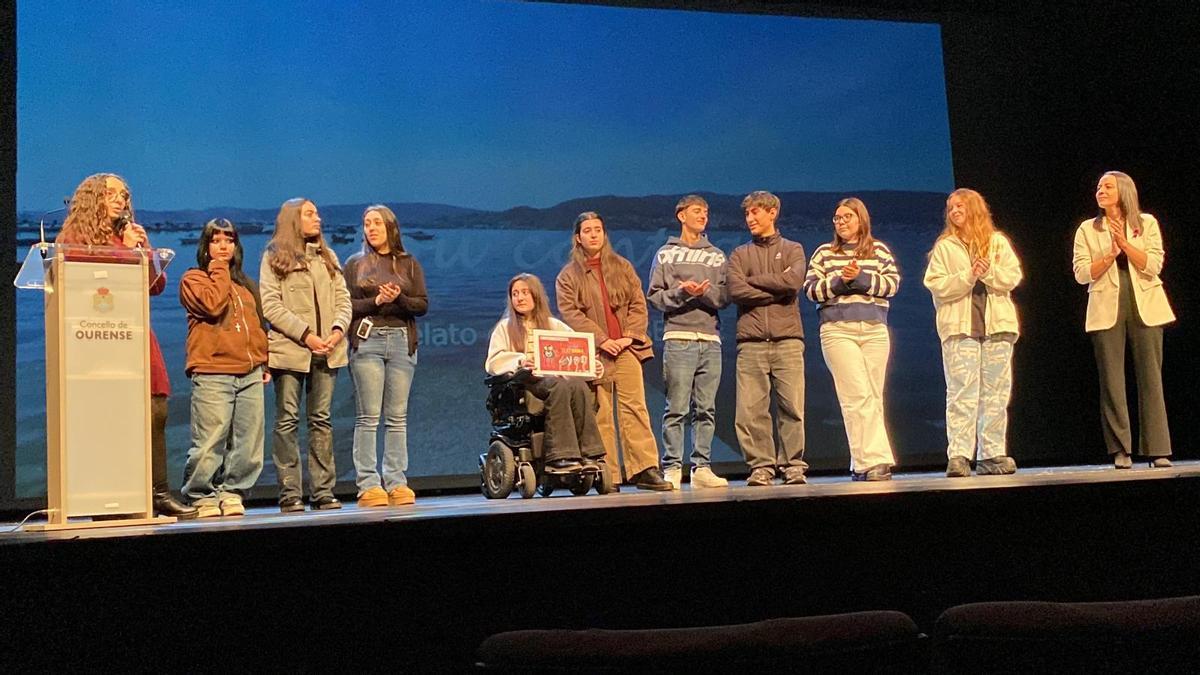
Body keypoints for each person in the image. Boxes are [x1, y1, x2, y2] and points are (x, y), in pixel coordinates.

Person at [56, 173, 198, 519]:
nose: (121, 200)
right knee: (109, 418)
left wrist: (143, 250)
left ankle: (158, 492)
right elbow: (88, 272)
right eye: (112, 194)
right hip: (96, 339)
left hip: (133, 333)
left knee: (156, 409)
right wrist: (126, 250)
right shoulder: (73, 238)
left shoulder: (129, 237)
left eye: (124, 195)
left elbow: (155, 286)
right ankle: (108, 494)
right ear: (93, 199)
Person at [556, 212, 672, 491]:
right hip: (595, 353)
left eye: (598, 229)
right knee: (601, 411)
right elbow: (570, 312)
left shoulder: (622, 266)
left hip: (626, 349)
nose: (594, 234)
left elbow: (637, 304)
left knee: (636, 408)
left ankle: (644, 469)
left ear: (604, 234)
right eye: (588, 230)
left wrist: (628, 337)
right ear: (578, 238)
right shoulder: (568, 275)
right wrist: (601, 340)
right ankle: (607, 473)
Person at [1071, 171, 1175, 469]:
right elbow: (1081, 274)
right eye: (1099, 187)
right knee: (1112, 380)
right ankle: (1120, 449)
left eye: (1107, 186)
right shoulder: (1087, 229)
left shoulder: (1147, 223)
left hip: (1144, 302)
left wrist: (1126, 245)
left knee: (1151, 377)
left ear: (1124, 191)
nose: (1100, 191)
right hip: (1107, 305)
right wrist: (1109, 253)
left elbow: (1154, 265)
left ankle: (1158, 449)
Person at [260, 198, 352, 512]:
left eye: (317, 212)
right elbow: (271, 305)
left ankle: (323, 491)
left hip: (327, 351)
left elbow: (344, 299)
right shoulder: (273, 256)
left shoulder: (328, 256)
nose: (319, 218)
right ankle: (290, 493)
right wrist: (307, 335)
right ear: (293, 219)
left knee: (321, 421)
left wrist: (337, 331)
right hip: (291, 351)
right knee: (286, 421)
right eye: (310, 213)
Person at [923, 188, 1022, 477]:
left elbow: (1012, 277)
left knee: (995, 393)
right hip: (960, 328)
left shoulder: (998, 243)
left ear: (975, 209)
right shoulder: (945, 247)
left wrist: (987, 271)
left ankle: (991, 454)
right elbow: (937, 285)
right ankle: (960, 455)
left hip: (997, 326)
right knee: (961, 393)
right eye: (950, 208)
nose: (954, 212)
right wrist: (969, 275)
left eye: (960, 206)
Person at [178, 218, 269, 517]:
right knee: (210, 440)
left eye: (228, 241)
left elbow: (256, 326)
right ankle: (201, 495)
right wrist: (218, 268)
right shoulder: (194, 279)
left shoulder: (245, 285)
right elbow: (214, 305)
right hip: (213, 369)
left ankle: (232, 492)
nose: (223, 246)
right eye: (216, 241)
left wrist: (263, 360)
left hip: (250, 371)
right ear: (206, 247)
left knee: (249, 441)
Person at [804, 198, 900, 481]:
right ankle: (877, 460)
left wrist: (860, 278)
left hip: (874, 328)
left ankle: (861, 463)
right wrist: (839, 282)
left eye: (847, 216)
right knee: (856, 395)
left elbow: (891, 285)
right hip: (838, 330)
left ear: (861, 219)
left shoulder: (879, 250)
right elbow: (811, 290)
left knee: (871, 394)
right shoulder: (824, 253)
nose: (841, 222)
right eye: (837, 218)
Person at [343, 205, 428, 508]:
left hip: (401, 341)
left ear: (390, 227)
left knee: (397, 417)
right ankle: (368, 483)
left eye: (377, 223)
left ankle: (396, 481)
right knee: (368, 417)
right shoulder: (355, 263)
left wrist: (399, 299)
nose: (371, 228)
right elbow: (345, 306)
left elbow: (421, 304)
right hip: (368, 341)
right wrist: (376, 300)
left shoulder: (408, 263)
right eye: (367, 224)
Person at [646, 195, 729, 490]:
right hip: (678, 336)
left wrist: (702, 293)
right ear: (681, 215)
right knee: (677, 407)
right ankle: (671, 466)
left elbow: (724, 297)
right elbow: (655, 297)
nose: (703, 216)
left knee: (706, 407)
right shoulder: (666, 254)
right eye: (697, 211)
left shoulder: (717, 255)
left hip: (710, 337)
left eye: (706, 211)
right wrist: (682, 292)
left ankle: (702, 467)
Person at [486, 273, 608, 472]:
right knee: (558, 385)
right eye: (515, 294)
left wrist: (590, 366)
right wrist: (521, 360)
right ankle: (561, 455)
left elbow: (575, 352)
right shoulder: (505, 328)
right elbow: (493, 362)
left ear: (536, 295)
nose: (520, 298)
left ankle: (590, 453)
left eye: (525, 292)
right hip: (526, 382)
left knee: (577, 385)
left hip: (555, 379)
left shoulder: (554, 325)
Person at [727, 191, 808, 486]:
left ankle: (793, 465)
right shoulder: (739, 255)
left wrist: (754, 282)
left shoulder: (793, 249)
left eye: (755, 213)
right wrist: (777, 288)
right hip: (751, 342)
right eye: (747, 214)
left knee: (792, 407)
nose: (750, 219)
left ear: (772, 213)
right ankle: (761, 465)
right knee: (750, 410)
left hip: (787, 339)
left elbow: (793, 282)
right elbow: (735, 291)